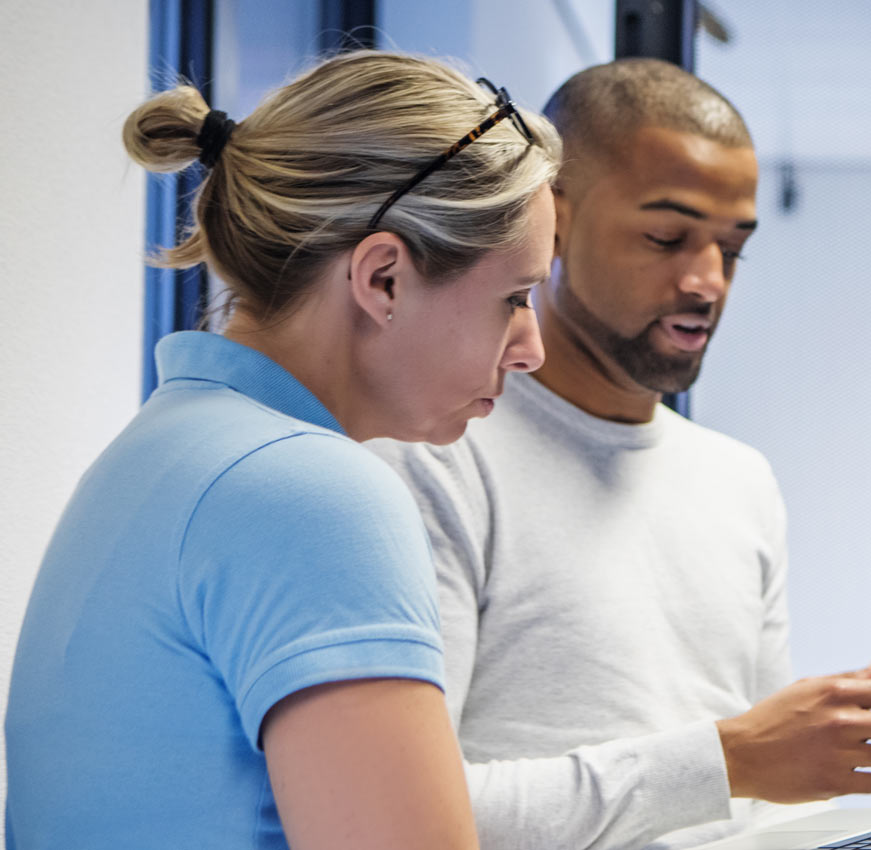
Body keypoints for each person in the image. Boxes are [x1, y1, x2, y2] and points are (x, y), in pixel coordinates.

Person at [370, 59, 871, 850]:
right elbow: (413, 814)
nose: (708, 283)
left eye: (732, 249)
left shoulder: (738, 482)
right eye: (667, 238)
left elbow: (770, 801)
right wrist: (726, 759)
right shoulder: (433, 456)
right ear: (551, 220)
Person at [4, 52, 560, 849]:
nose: (531, 346)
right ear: (383, 280)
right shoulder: (308, 492)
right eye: (514, 298)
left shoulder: (157, 454)